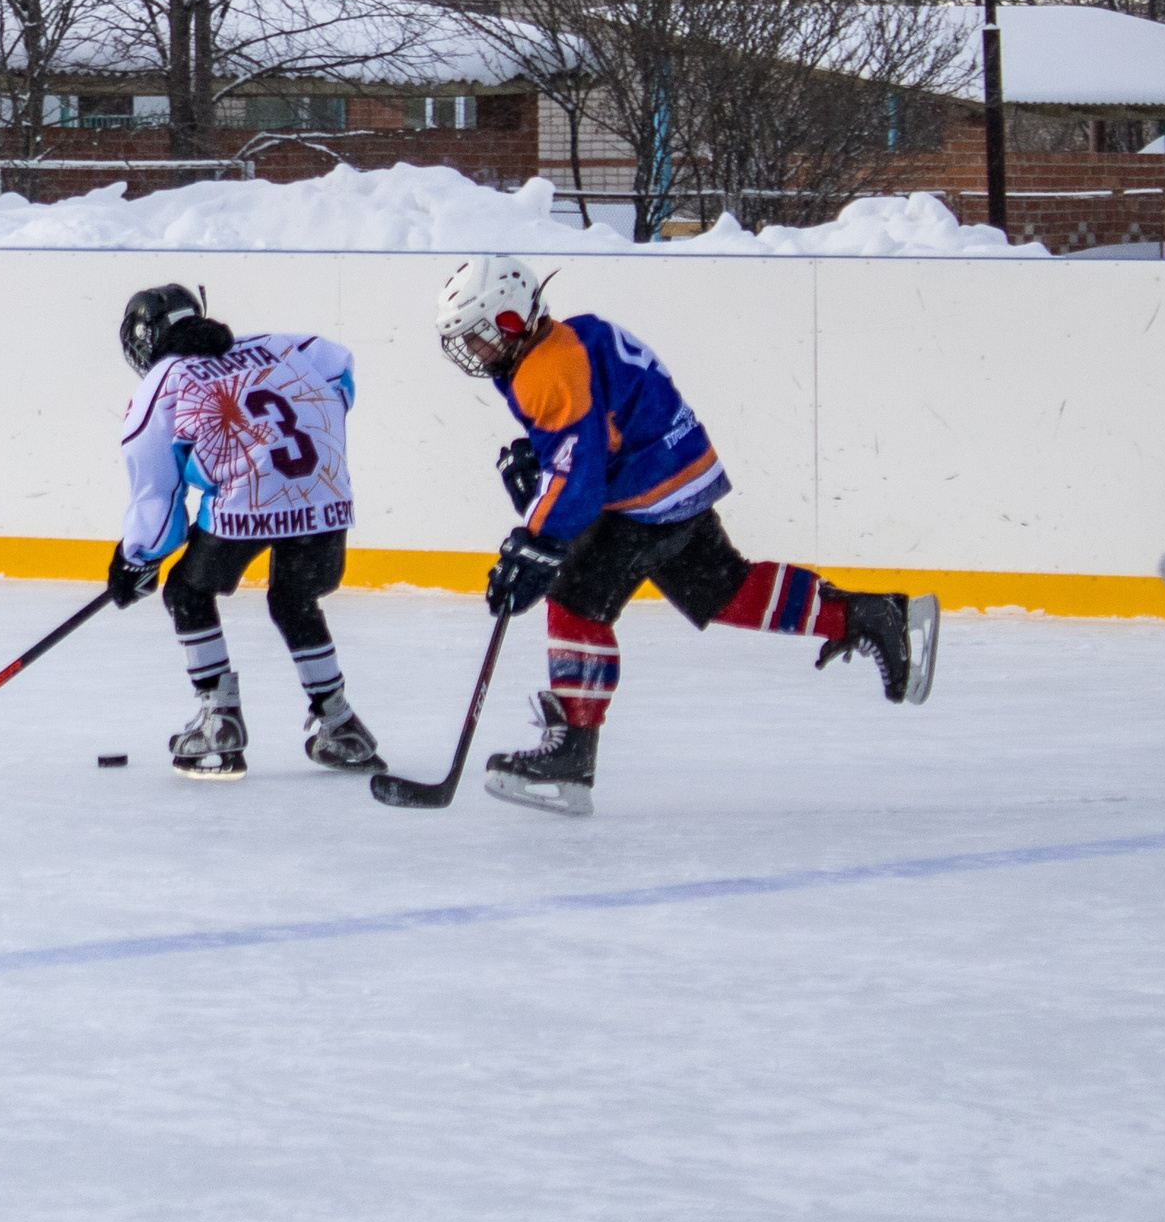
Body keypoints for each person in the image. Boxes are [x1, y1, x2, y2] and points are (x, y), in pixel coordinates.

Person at [433, 255, 937, 817]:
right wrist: (542, 480)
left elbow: (578, 478)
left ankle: (573, 753)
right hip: (678, 475)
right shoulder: (576, 334)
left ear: (509, 319)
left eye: (478, 337)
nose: (472, 353)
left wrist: (537, 541)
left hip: (648, 495)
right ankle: (869, 615)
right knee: (724, 589)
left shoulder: (547, 370)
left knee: (576, 600)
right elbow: (588, 442)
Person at [108, 284, 374, 780]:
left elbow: (155, 486)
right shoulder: (274, 343)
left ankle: (220, 722)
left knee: (187, 590)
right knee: (294, 601)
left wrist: (138, 556)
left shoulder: (164, 380)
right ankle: (341, 725)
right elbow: (338, 367)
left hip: (247, 501)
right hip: (325, 494)